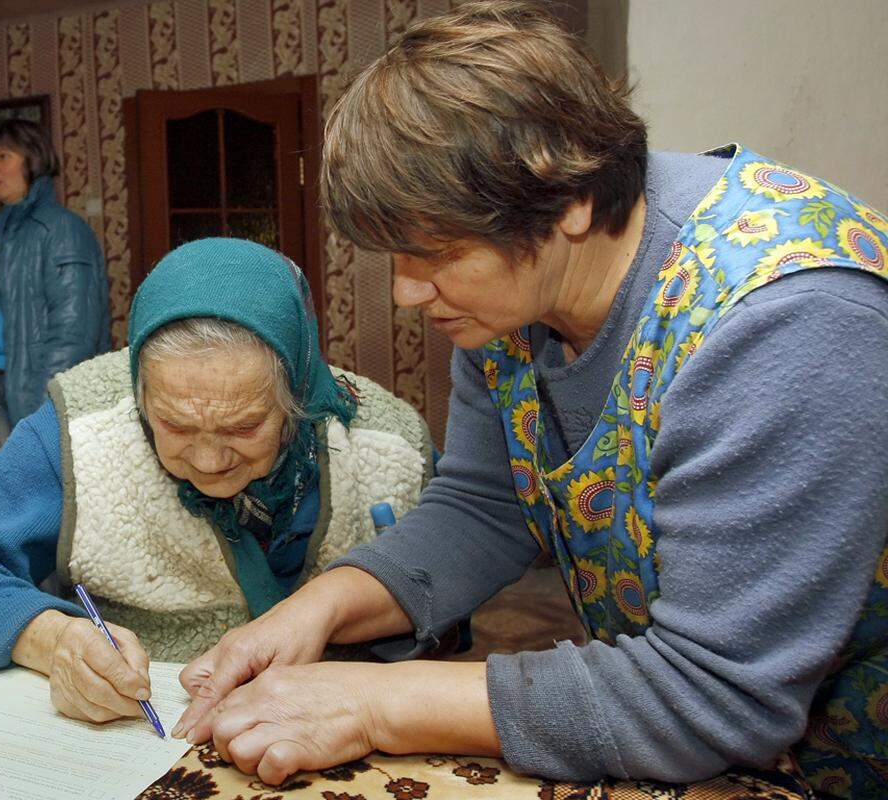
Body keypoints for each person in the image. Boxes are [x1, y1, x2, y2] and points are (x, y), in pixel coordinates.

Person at [170, 4, 888, 798]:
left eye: (437, 252)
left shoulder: (788, 321)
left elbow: (714, 694)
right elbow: (484, 507)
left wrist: (375, 701)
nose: (408, 291)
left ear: (570, 198)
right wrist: (320, 610)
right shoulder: (510, 299)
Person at [0, 237, 435, 725]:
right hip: (144, 729)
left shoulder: (388, 440)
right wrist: (52, 639)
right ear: (138, 391)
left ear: (295, 393)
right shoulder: (77, 428)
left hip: (342, 723)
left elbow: (448, 604)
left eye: (244, 426)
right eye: (175, 425)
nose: (208, 461)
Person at [0, 119, 110, 449]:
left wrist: (44, 409)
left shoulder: (62, 229)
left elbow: (74, 333)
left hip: (39, 399)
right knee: (18, 497)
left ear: (33, 160)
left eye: (4, 156)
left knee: (49, 498)